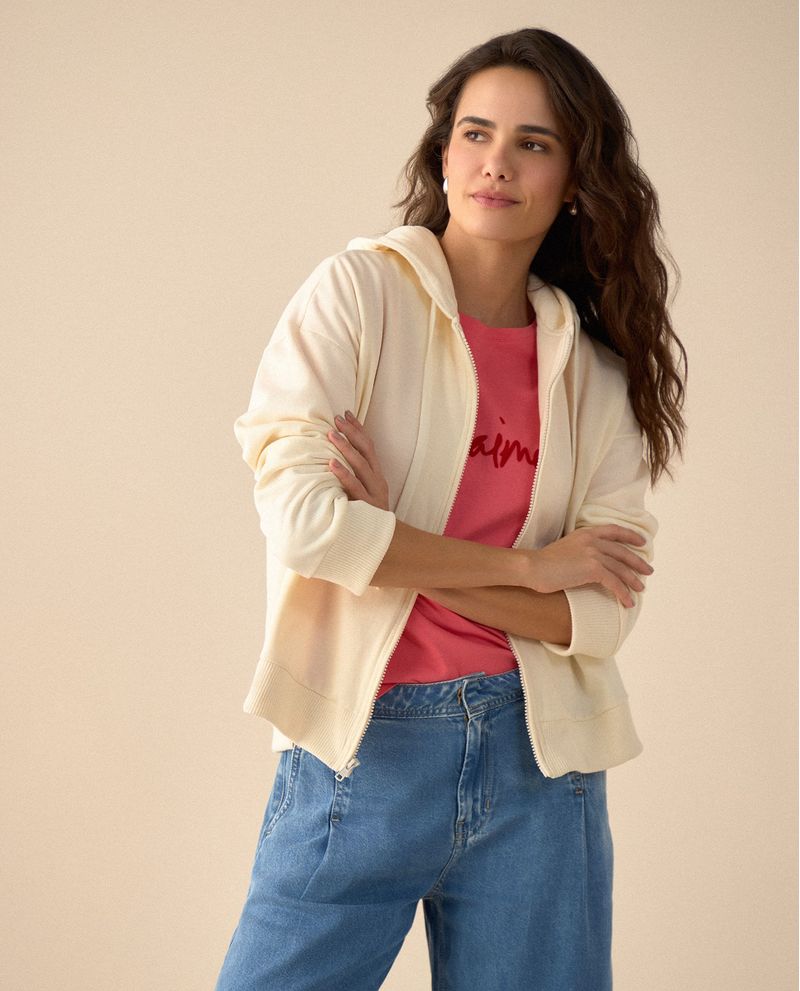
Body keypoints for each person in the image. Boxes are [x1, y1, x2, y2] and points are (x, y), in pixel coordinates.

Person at [214, 26, 686, 991]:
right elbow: (308, 526)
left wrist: (393, 542)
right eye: (476, 133)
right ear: (442, 153)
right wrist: (527, 568)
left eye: (532, 143)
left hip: (539, 764)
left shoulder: (595, 377)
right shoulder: (359, 297)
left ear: (574, 179)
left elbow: (598, 619)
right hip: (364, 748)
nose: (495, 163)